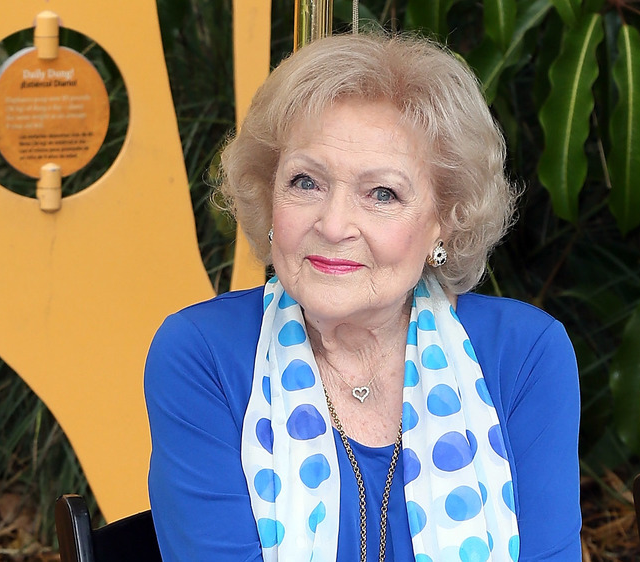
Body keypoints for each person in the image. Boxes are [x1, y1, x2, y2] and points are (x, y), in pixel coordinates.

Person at [145, 33, 581, 561]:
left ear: (445, 222)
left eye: (382, 194)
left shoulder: (524, 355)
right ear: (268, 193)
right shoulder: (204, 355)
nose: (332, 225)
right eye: (306, 182)